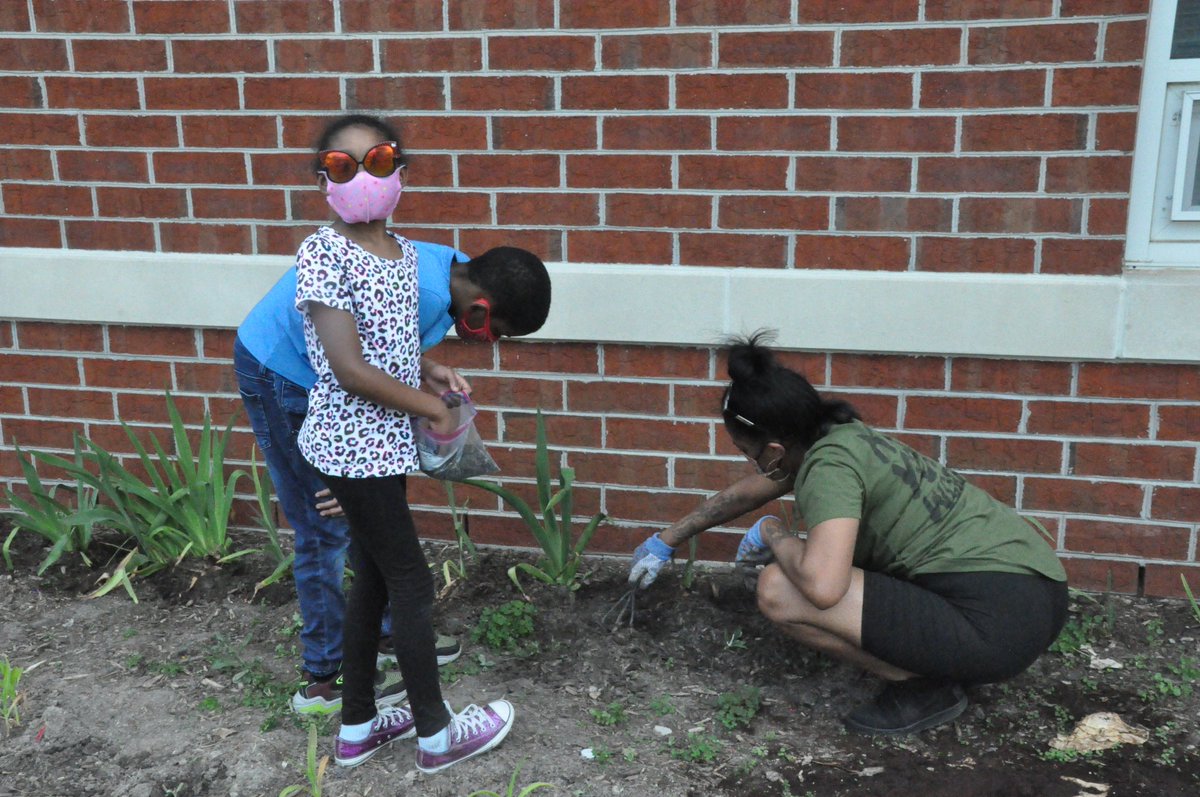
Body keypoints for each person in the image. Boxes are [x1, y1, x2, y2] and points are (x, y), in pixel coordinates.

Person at [234, 123, 551, 720]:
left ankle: (382, 640)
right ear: (480, 307)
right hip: (284, 371)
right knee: (325, 524)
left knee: (375, 549)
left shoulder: (423, 261)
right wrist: (415, 416)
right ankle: (323, 678)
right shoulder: (409, 282)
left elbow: (379, 344)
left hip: (335, 391)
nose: (482, 342)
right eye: (493, 333)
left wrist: (426, 368)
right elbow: (349, 366)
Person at [628, 333, 1068, 736]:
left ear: (775, 449)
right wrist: (667, 540)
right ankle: (942, 661)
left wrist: (774, 534)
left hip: (994, 627)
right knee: (823, 562)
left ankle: (924, 688)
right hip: (1040, 594)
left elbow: (823, 587)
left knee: (780, 587)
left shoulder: (830, 470)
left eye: (748, 452)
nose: (754, 465)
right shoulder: (842, 439)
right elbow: (744, 496)